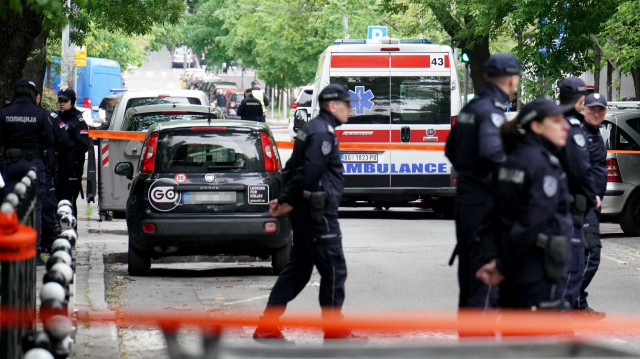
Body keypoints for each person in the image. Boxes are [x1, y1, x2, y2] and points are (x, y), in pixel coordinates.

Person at [253, 83, 362, 342]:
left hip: (307, 211)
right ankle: (334, 331)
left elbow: (291, 169)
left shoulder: (310, 130)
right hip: (318, 213)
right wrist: (287, 200)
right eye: (346, 104)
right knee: (334, 270)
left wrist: (286, 199)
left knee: (298, 269)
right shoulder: (323, 133)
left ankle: (267, 326)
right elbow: (309, 171)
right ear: (332, 106)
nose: (350, 108)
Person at [476, 97, 573, 310]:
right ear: (537, 126)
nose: (565, 126)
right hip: (537, 273)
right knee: (540, 340)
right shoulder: (544, 166)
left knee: (515, 338)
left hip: (514, 273)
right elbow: (532, 222)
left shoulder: (511, 162)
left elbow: (491, 219)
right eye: (556, 121)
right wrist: (501, 266)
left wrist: (495, 260)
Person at [444, 53, 522, 310]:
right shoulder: (491, 113)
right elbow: (494, 156)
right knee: (484, 286)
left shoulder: (470, 109)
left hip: (467, 203)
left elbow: (451, 150)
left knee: (469, 282)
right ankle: (481, 347)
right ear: (512, 80)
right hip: (485, 209)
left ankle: (470, 343)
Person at [556, 77, 598, 310]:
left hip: (545, 205)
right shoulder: (573, 127)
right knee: (572, 265)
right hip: (569, 207)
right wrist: (592, 198)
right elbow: (581, 169)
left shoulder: (548, 122)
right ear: (582, 101)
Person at [0, 78, 54, 256]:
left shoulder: (6, 113)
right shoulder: (40, 114)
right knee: (35, 207)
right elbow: (49, 140)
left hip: (11, 164)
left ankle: (10, 247)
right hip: (33, 165)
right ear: (33, 94)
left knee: (10, 205)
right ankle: (34, 250)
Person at [577, 93, 608, 318]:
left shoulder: (596, 134)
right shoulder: (579, 135)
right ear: (583, 110)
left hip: (593, 203)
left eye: (601, 110)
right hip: (582, 204)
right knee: (591, 254)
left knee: (583, 255)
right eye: (592, 109)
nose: (596, 113)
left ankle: (576, 303)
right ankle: (571, 301)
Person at [36, 90, 71, 253]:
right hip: (44, 168)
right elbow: (64, 141)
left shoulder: (8, 113)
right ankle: (46, 244)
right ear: (37, 98)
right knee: (46, 205)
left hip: (13, 165)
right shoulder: (48, 116)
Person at [55, 89, 90, 221]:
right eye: (60, 100)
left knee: (68, 203)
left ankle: (70, 233)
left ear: (72, 102)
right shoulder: (55, 117)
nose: (62, 103)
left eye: (65, 101)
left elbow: (83, 146)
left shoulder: (78, 120)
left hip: (71, 169)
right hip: (56, 168)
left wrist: (66, 144)